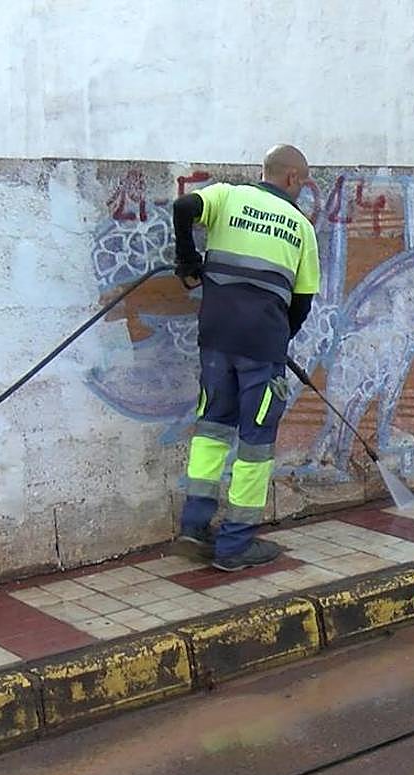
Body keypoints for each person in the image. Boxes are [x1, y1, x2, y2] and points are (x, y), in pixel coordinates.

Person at [172, 144, 319, 571]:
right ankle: (234, 545)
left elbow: (183, 207)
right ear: (292, 178)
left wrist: (187, 259)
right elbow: (302, 302)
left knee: (211, 429)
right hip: (262, 346)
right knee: (255, 444)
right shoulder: (300, 227)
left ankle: (194, 528)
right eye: (303, 182)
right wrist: (278, 341)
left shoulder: (227, 196)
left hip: (216, 338)